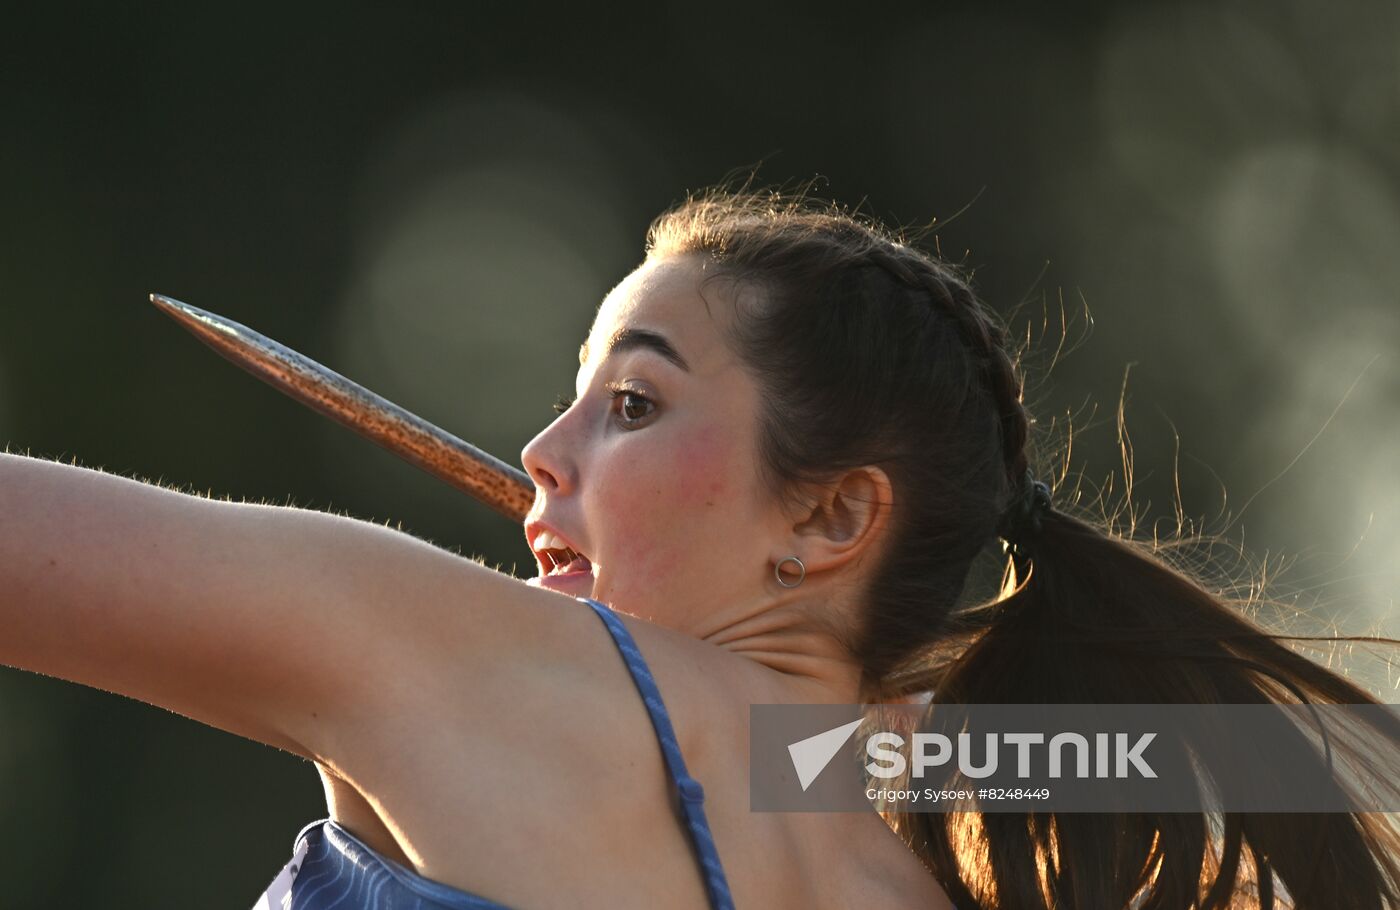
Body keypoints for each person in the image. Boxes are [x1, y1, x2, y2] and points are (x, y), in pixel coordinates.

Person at [1, 184, 1396, 910]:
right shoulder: (906, 835)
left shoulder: (505, 676)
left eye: (631, 403)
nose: (543, 452)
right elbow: (1315, 757)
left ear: (834, 516)